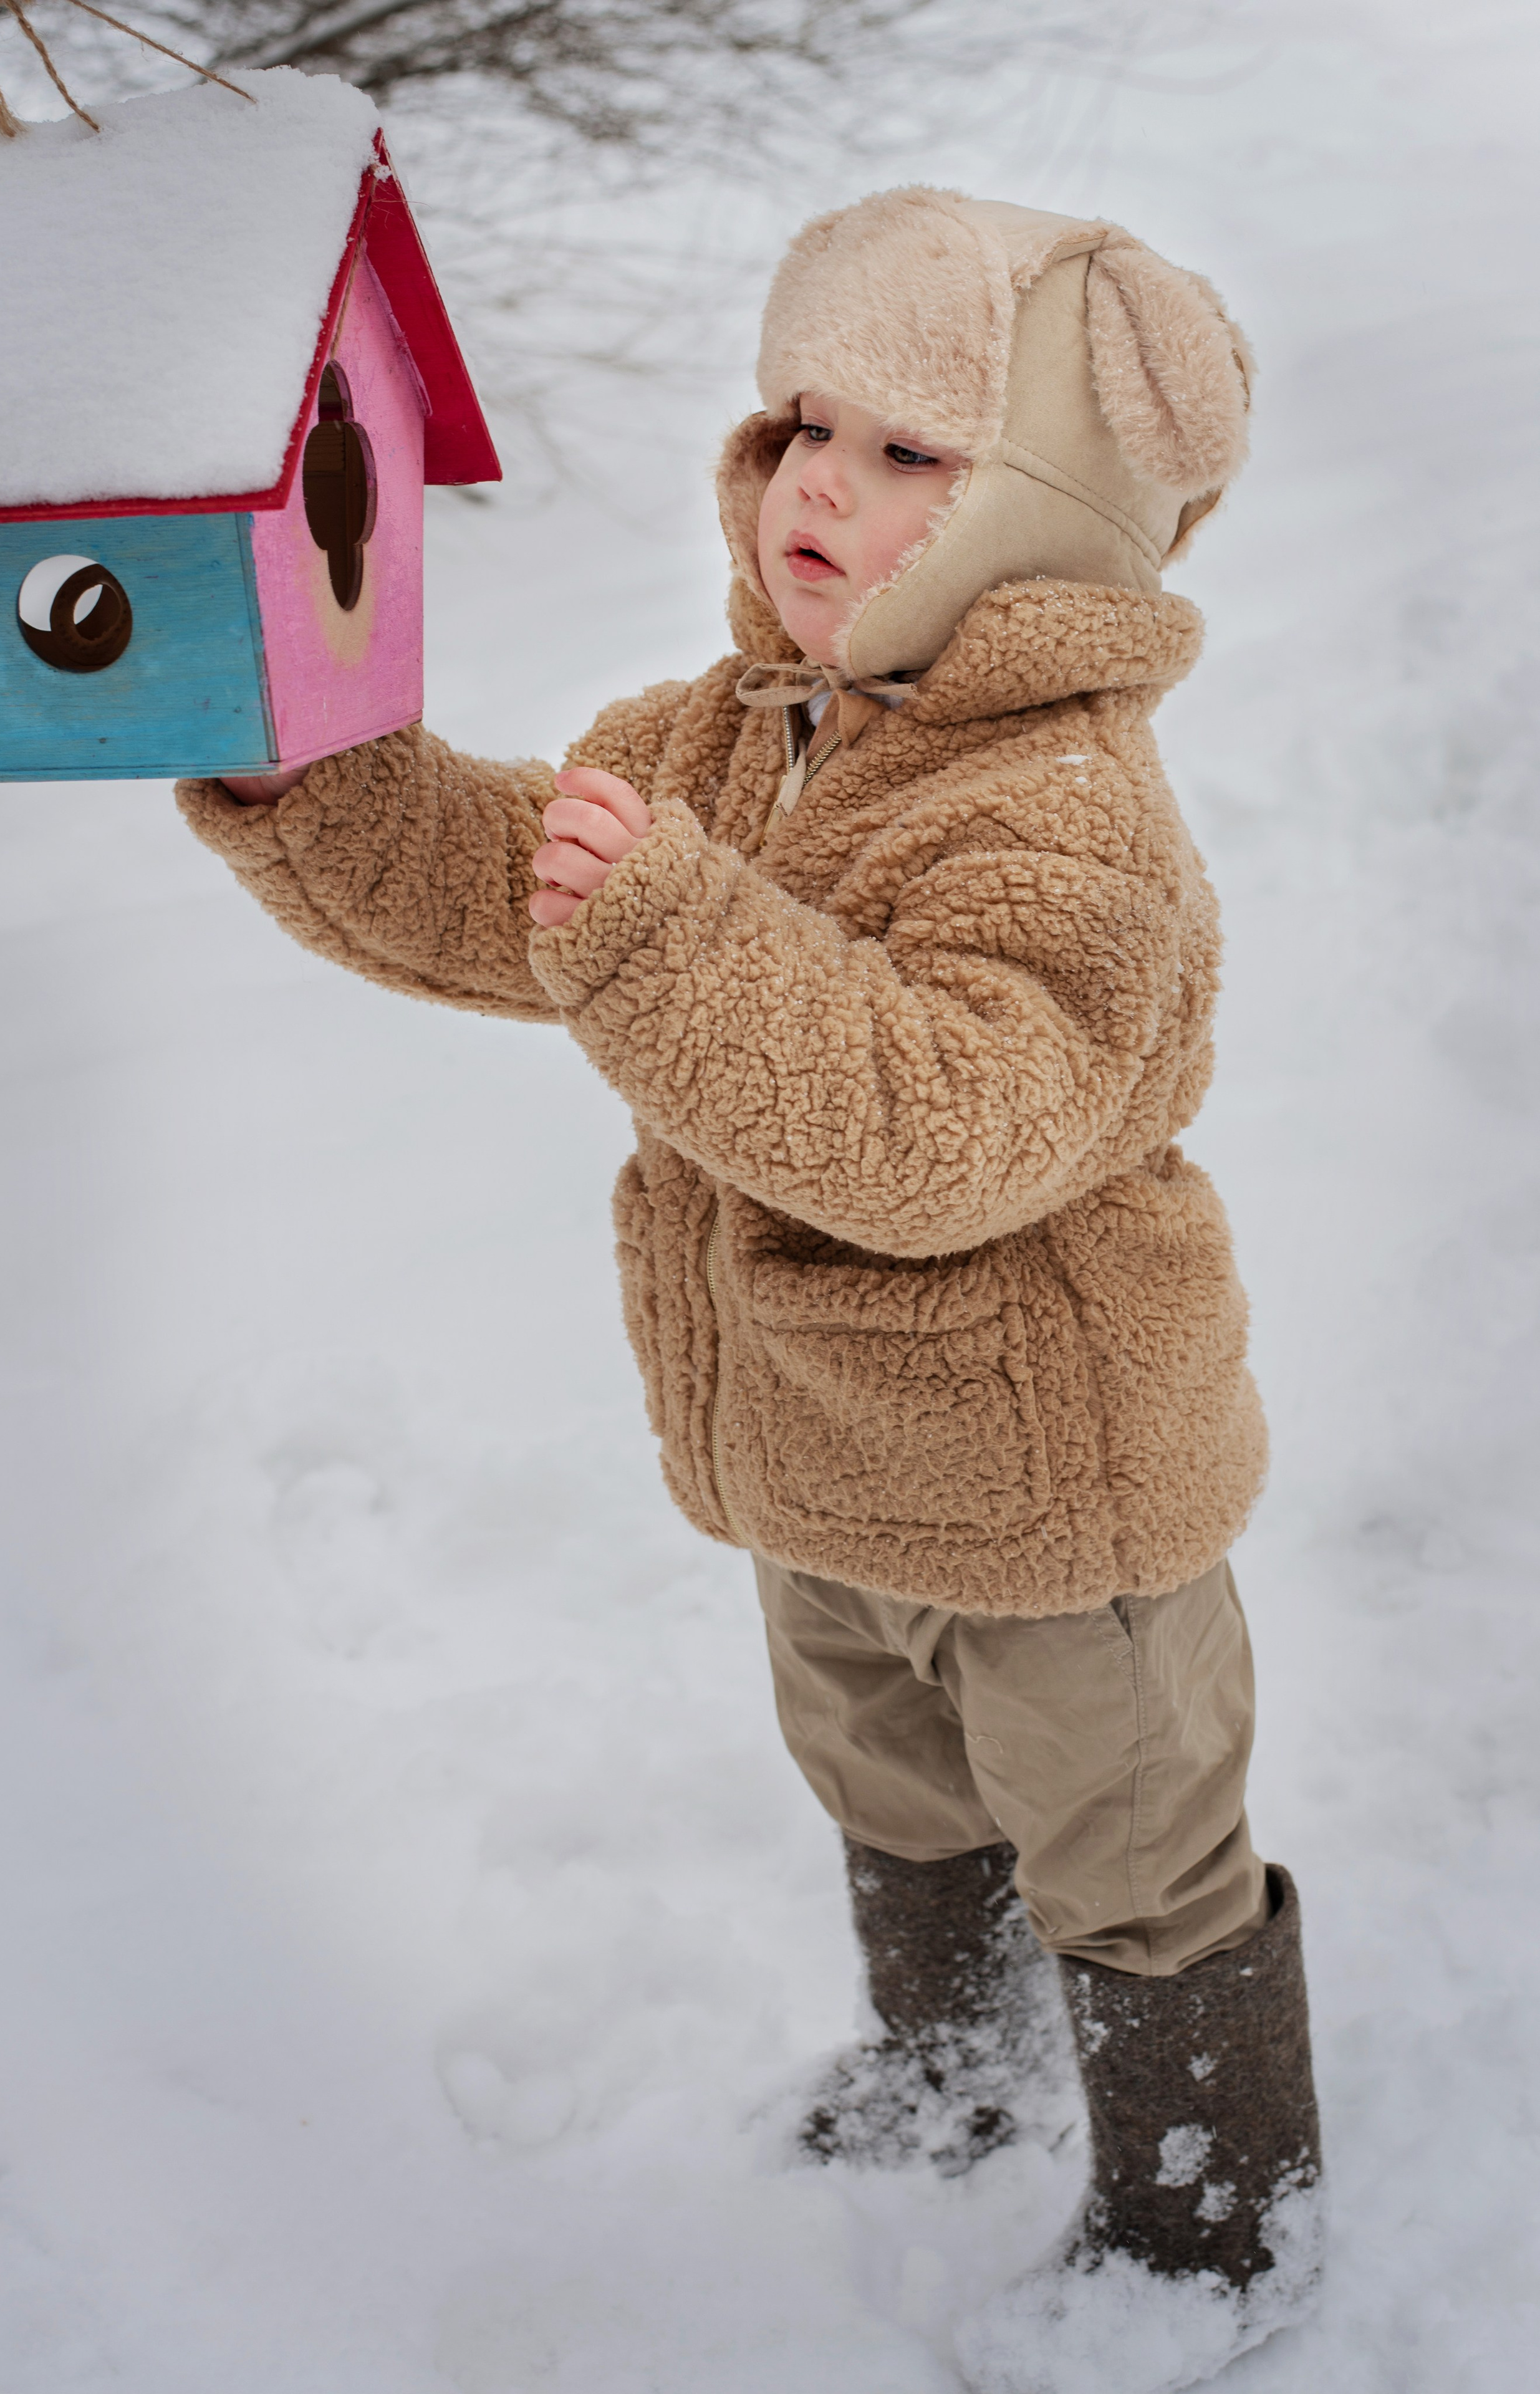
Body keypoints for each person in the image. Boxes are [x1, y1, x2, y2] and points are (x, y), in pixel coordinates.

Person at [189, 188, 1322, 2390]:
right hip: (818, 1458)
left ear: (1050, 516)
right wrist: (308, 777)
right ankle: (951, 2067)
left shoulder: (1066, 814)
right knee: (889, 1785)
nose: (823, 478)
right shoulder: (729, 728)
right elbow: (492, 879)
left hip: (1059, 1500)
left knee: (1126, 1846)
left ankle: (1210, 2216)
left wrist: (681, 941)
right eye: (814, 418)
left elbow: (947, 1127)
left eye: (914, 450)